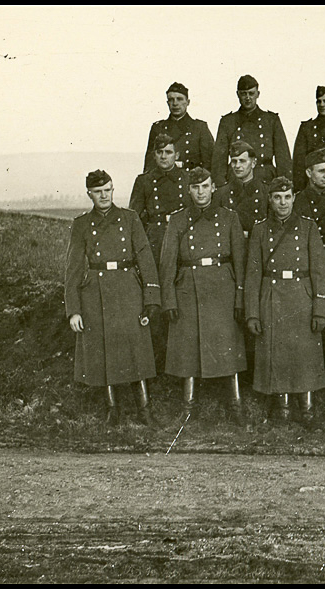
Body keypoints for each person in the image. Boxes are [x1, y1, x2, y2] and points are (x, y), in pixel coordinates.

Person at [65, 170, 161, 427]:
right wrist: (73, 310)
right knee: (104, 351)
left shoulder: (129, 219)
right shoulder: (81, 224)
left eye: (107, 190)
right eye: (98, 192)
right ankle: (112, 410)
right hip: (96, 293)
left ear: (113, 190)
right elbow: (73, 268)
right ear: (89, 194)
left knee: (137, 350)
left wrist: (151, 297)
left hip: (129, 289)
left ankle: (145, 409)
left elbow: (145, 259)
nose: (104, 195)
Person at [159, 167, 248, 423]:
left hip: (223, 288)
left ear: (213, 188)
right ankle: (187, 407)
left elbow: (240, 262)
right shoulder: (177, 220)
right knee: (189, 349)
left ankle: (236, 404)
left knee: (228, 347)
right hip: (189, 288)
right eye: (195, 187)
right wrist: (169, 299)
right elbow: (167, 264)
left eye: (205, 186)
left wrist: (240, 296)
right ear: (189, 190)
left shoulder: (229, 218)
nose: (201, 192)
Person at [245, 177, 325, 427]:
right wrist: (252, 313)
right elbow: (253, 273)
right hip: (272, 297)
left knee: (305, 355)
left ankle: (307, 410)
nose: (283, 203)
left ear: (294, 198)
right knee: (277, 353)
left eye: (287, 197)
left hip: (301, 296)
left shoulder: (308, 227)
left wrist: (321, 309)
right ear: (270, 200)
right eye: (277, 198)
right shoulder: (260, 230)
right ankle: (282, 409)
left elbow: (320, 271)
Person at [130, 134, 190, 372]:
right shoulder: (144, 181)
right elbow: (134, 217)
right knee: (156, 296)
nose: (164, 157)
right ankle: (156, 360)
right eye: (160, 153)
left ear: (177, 155)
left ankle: (180, 360)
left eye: (168, 152)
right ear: (154, 155)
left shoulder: (186, 179)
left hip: (183, 238)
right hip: (154, 239)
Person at [213, 74, 292, 186]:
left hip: (265, 179)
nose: (248, 98)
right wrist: (221, 187)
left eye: (251, 93)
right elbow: (219, 161)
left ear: (258, 94)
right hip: (236, 180)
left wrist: (284, 185)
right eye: (243, 94)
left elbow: (283, 158)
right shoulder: (228, 122)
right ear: (237, 95)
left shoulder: (271, 120)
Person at [143, 82, 215, 173]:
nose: (175, 103)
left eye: (179, 99)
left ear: (188, 102)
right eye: (171, 100)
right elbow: (150, 165)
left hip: (190, 182)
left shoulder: (199, 128)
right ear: (167, 103)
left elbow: (208, 164)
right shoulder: (158, 128)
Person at [213, 140, 269, 238]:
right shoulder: (221, 193)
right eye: (234, 161)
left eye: (242, 161)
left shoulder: (266, 192)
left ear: (253, 163)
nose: (237, 166)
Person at [292, 86, 325, 192]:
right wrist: (299, 190)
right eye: (319, 102)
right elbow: (299, 163)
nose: (322, 105)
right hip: (313, 186)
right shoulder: (307, 128)